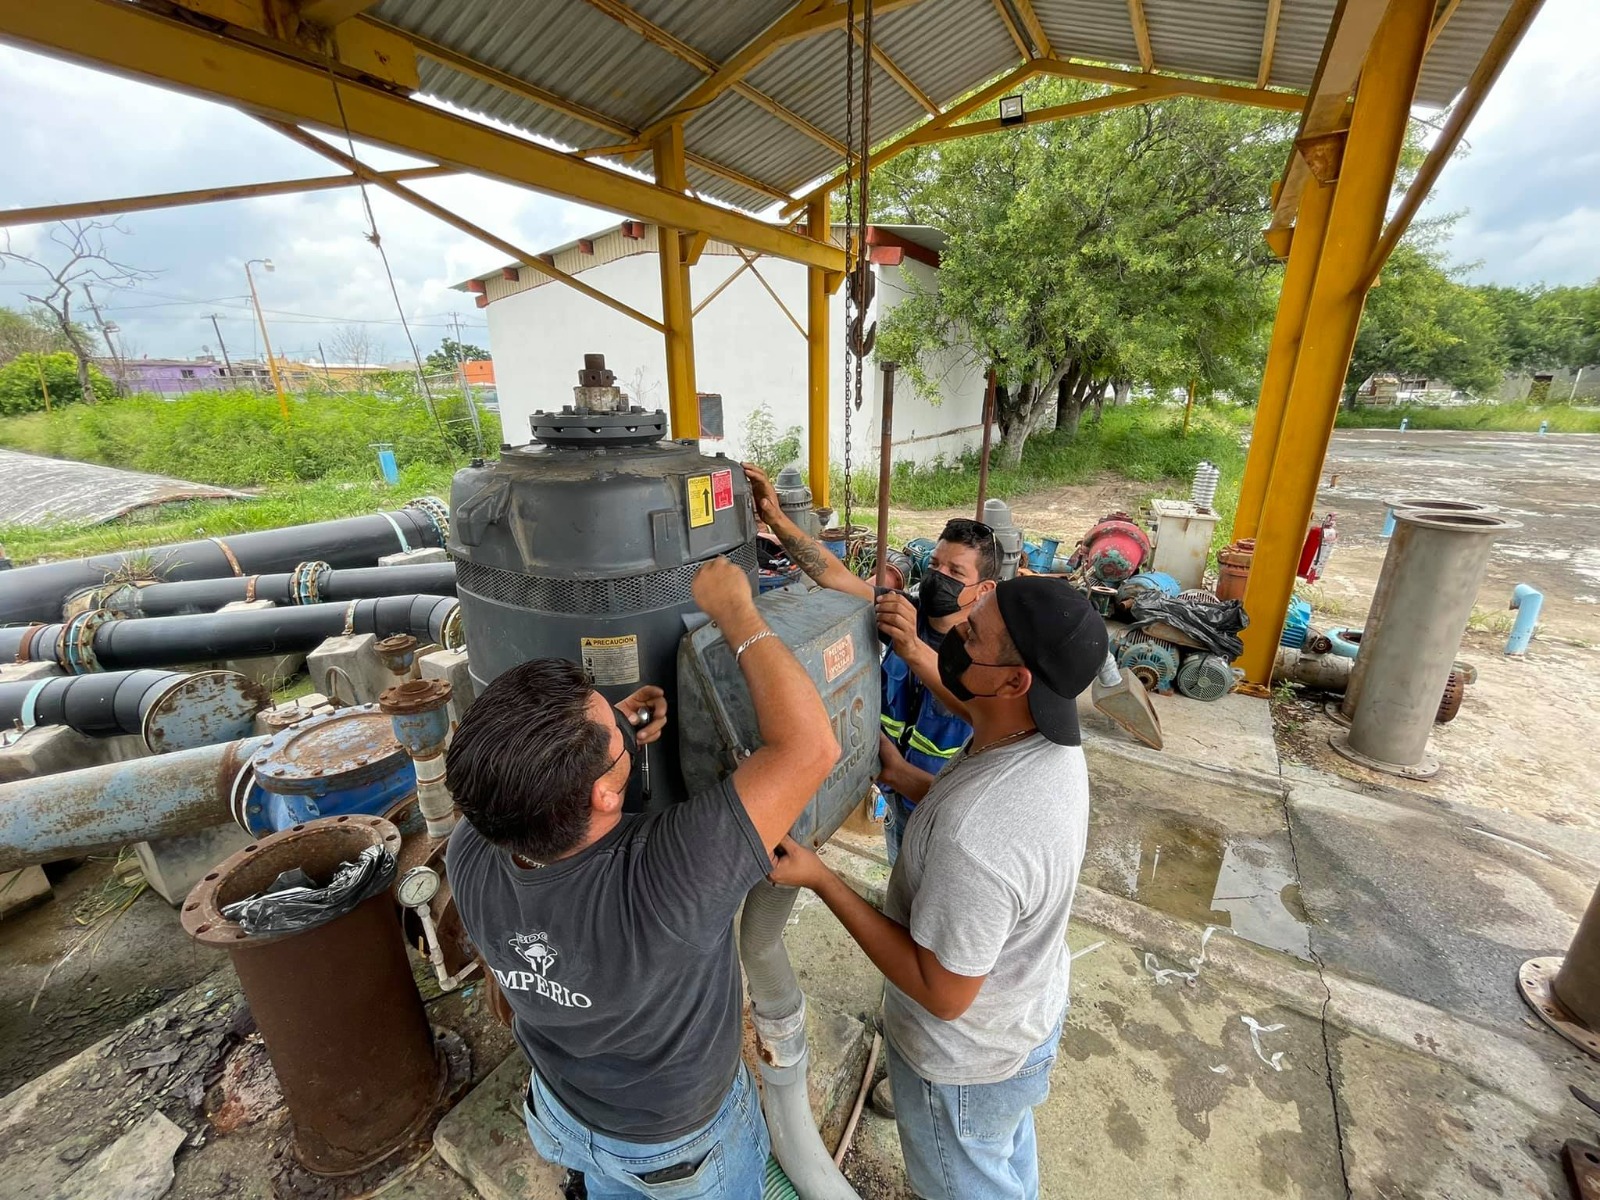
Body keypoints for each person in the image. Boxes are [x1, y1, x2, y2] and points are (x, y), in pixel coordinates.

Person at [445, 555, 840, 1200]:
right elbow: (808, 749)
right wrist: (739, 612)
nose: (616, 714)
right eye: (607, 724)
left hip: (563, 1110)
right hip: (678, 1149)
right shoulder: (667, 879)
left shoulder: (476, 843)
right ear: (603, 797)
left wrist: (617, 734)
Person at [768, 576, 1107, 1200]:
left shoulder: (978, 834)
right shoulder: (1046, 749)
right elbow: (982, 842)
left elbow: (942, 991)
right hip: (1025, 1021)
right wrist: (905, 777)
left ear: (1014, 682)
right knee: (1003, 1164)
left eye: (974, 633)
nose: (956, 629)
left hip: (963, 1067)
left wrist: (821, 878)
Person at [743, 463, 1000, 865]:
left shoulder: (987, 654)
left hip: (948, 812)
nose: (938, 578)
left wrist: (912, 645)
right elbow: (833, 575)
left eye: (954, 572)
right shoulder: (902, 613)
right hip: (897, 800)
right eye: (934, 565)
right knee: (902, 875)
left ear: (983, 589)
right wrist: (775, 517)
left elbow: (976, 708)